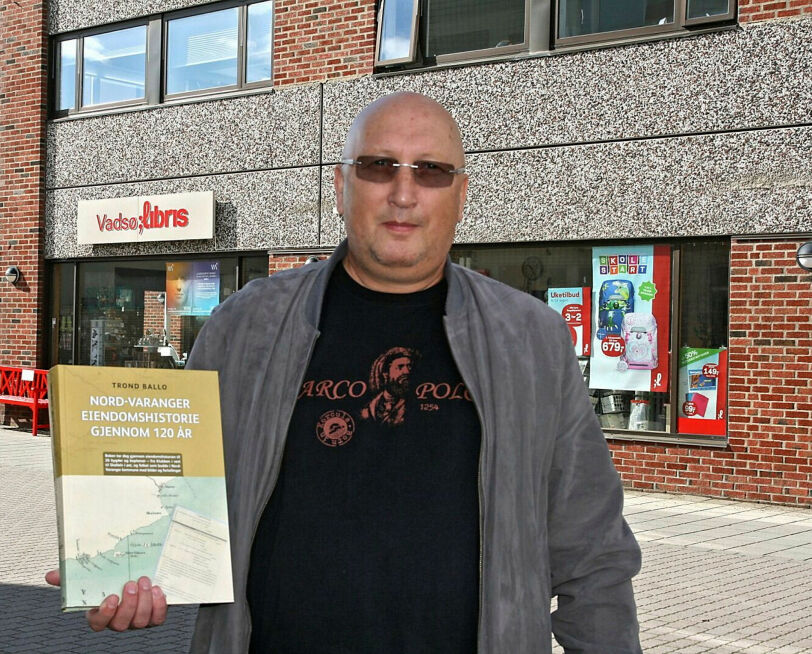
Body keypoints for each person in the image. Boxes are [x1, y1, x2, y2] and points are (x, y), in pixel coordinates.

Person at [46, 92, 642, 652]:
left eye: (430, 171)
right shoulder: (245, 328)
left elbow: (593, 553)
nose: (403, 193)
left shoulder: (530, 340)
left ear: (461, 194)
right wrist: (120, 569)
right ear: (341, 185)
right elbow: (172, 498)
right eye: (379, 166)